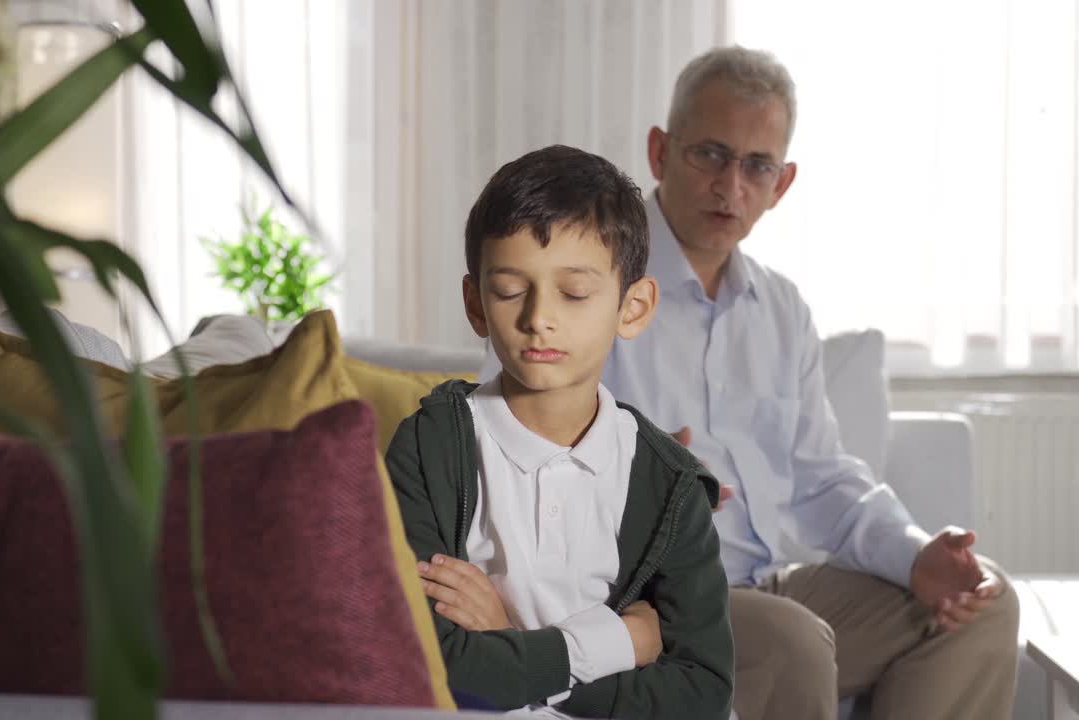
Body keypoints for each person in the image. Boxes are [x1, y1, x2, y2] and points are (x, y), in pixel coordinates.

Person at [598, 46, 1020, 719]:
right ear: (659, 152)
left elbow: (822, 480)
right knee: (790, 639)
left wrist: (915, 555)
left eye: (756, 166)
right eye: (710, 154)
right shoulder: (587, 282)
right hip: (649, 602)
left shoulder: (782, 309)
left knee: (982, 602)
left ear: (782, 183)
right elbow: (512, 463)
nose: (730, 185)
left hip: (770, 590)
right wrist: (635, 482)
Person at [386, 144, 733, 719]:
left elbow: (702, 695)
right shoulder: (430, 447)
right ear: (476, 303)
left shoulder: (670, 482)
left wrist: (508, 644)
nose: (538, 318)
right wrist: (620, 641)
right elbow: (434, 662)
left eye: (573, 293)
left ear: (633, 307)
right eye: (509, 290)